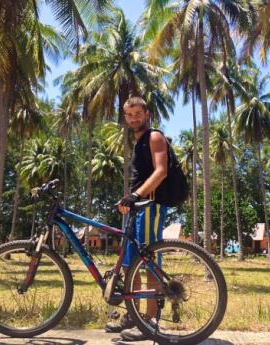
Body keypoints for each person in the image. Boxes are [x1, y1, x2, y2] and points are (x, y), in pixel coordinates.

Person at [105, 96, 170, 342]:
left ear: (146, 114)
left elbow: (161, 171)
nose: (133, 119)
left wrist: (136, 195)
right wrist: (128, 201)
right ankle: (135, 315)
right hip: (137, 207)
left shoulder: (154, 137)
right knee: (131, 263)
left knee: (148, 262)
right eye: (129, 115)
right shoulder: (138, 141)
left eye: (137, 114)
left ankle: (150, 321)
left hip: (151, 205)